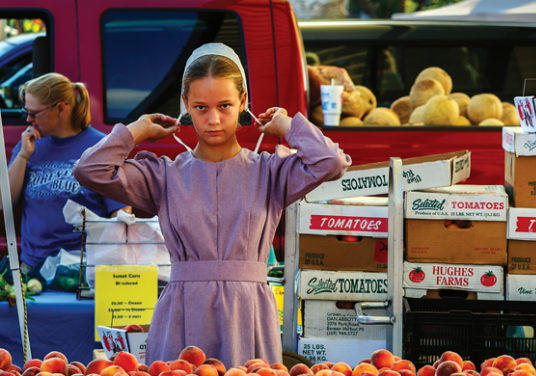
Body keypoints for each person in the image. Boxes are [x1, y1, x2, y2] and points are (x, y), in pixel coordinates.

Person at [73, 43, 351, 366]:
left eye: (225, 106)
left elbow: (332, 162)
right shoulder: (163, 175)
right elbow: (88, 170)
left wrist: (289, 126)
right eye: (201, 107)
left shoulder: (270, 172)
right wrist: (136, 131)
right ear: (185, 106)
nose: (213, 119)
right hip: (180, 315)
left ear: (243, 102)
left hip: (248, 315)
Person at [7, 72, 129, 276]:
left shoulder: (100, 148)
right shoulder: (28, 145)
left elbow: (121, 214)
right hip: (33, 268)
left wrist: (113, 267)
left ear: (61, 108)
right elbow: (5, 203)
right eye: (26, 112)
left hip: (80, 272)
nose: (28, 120)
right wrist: (22, 157)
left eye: (34, 114)